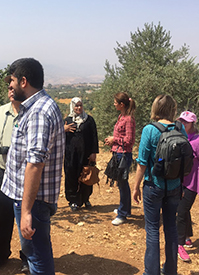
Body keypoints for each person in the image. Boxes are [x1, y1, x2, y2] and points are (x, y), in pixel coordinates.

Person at [1, 58, 65, 275]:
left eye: (13, 82)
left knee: (36, 256)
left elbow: (35, 163)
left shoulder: (38, 111)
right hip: (33, 199)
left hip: (32, 201)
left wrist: (26, 210)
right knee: (38, 251)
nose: (10, 87)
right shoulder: (41, 106)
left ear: (24, 81)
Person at [133, 95, 187, 275]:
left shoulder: (150, 129)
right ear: (173, 109)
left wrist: (135, 187)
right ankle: (170, 270)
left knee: (152, 230)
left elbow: (142, 163)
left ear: (155, 108)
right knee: (171, 228)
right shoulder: (180, 128)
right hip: (175, 187)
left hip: (153, 185)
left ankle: (151, 272)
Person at [0, 87, 28, 274]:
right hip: (3, 173)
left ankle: (27, 258)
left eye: (14, 87)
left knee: (26, 219)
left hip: (26, 175)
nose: (10, 91)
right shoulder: (0, 112)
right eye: (8, 88)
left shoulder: (31, 113)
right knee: (2, 217)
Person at [176, 111, 199, 262]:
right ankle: (187, 237)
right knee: (183, 209)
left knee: (181, 211)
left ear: (193, 124)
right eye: (181, 121)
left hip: (192, 182)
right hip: (179, 180)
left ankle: (179, 244)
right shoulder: (180, 137)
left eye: (186, 122)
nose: (183, 124)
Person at [105, 92, 136, 225]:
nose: (114, 104)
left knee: (123, 183)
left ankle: (123, 214)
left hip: (123, 155)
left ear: (121, 104)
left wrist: (114, 139)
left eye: (115, 102)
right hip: (117, 153)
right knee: (122, 183)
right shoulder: (121, 117)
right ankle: (125, 209)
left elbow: (129, 140)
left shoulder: (128, 119)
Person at [64, 97, 99, 211]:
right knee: (71, 176)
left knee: (86, 176)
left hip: (86, 154)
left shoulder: (89, 120)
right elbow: (58, 136)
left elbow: (94, 137)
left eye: (80, 105)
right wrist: (63, 129)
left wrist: (94, 153)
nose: (78, 108)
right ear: (72, 107)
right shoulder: (67, 121)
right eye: (76, 106)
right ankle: (73, 200)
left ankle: (85, 199)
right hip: (71, 155)